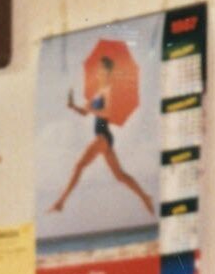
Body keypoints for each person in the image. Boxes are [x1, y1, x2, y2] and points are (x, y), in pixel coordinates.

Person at [49, 53, 157, 217]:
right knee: (120, 175)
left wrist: (91, 108)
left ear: (107, 72)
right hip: (103, 137)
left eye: (100, 69)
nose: (98, 72)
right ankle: (145, 197)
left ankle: (61, 202)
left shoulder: (108, 91)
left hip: (102, 136)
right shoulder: (98, 93)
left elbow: (106, 112)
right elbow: (85, 112)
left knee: (79, 166)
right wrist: (73, 106)